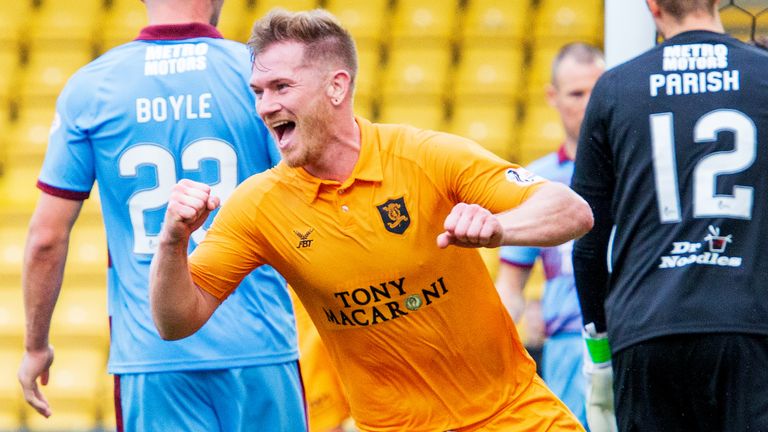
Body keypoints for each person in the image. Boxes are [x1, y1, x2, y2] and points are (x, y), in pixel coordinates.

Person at [149, 8, 594, 432]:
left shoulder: (426, 157)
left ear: (337, 87)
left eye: (281, 87)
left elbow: (571, 210)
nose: (265, 106)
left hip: (513, 413)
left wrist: (501, 229)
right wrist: (171, 243)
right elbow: (176, 322)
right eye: (258, 91)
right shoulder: (258, 205)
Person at [17, 1, 306, 430]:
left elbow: (46, 237)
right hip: (259, 345)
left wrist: (36, 345)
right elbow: (307, 193)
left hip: (152, 355)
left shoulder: (92, 86)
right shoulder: (261, 77)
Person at [571, 1, 768, 431]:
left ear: (651, 6)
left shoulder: (615, 87)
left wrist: (600, 350)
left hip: (645, 329)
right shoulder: (762, 75)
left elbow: (587, 240)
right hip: (747, 324)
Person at [496, 42, 604, 429]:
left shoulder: (636, 170)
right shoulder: (533, 182)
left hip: (630, 338)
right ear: (553, 98)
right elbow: (510, 287)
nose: (590, 103)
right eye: (577, 93)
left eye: (598, 90)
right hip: (567, 347)